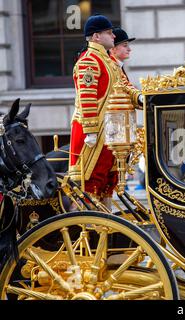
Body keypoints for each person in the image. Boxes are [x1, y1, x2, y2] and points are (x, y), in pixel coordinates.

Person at [68, 15, 142, 205]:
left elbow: (125, 87)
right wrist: (91, 131)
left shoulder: (108, 61)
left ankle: (104, 217)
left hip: (110, 131)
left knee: (108, 180)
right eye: (109, 33)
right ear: (96, 37)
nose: (113, 37)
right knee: (92, 179)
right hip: (95, 133)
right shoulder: (88, 61)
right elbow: (87, 98)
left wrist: (140, 98)